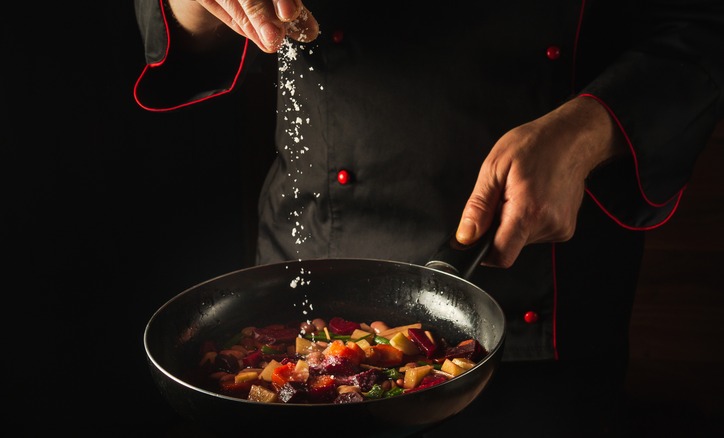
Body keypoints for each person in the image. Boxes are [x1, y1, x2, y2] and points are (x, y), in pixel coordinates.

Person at [133, 0, 724, 435]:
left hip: (543, 288)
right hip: (302, 278)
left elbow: (704, 27)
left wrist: (588, 131)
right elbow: (184, 25)